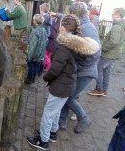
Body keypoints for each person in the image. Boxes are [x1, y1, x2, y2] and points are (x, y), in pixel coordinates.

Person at [26, 15, 100, 150]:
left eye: (60, 25)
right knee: (57, 110)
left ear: (63, 28)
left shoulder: (64, 46)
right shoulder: (75, 46)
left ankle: (43, 141)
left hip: (60, 85)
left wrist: (45, 77)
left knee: (48, 113)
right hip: (69, 84)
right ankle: (52, 133)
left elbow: (55, 69)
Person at [59, 2, 101, 134]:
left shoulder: (87, 28)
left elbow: (96, 53)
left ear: (75, 14)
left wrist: (78, 66)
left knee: (69, 97)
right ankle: (62, 120)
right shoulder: (81, 25)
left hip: (85, 72)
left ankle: (83, 119)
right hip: (79, 70)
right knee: (67, 94)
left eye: (70, 13)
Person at [88, 7, 125, 96]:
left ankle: (99, 89)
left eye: (113, 14)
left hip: (109, 54)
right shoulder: (120, 26)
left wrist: (102, 49)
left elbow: (114, 42)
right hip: (115, 54)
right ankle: (104, 90)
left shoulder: (117, 27)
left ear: (117, 15)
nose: (111, 15)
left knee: (98, 68)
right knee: (106, 71)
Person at [24, 14, 48, 84]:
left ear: (34, 21)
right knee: (35, 66)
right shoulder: (43, 30)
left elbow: (32, 45)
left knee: (31, 66)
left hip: (34, 54)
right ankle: (33, 77)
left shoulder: (35, 32)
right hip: (40, 53)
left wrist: (29, 56)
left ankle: (29, 79)